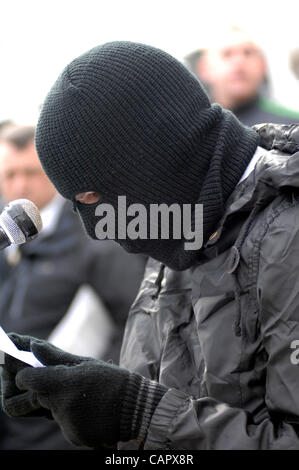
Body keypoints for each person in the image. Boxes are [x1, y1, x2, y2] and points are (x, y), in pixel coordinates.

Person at [1, 41, 299, 450]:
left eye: (92, 199)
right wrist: (88, 392)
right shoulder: (178, 225)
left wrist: (138, 412)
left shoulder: (288, 236)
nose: (97, 228)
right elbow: (173, 393)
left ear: (155, 160)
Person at [0, 124, 146, 449]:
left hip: (61, 425)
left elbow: (138, 320)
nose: (20, 185)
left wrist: (83, 384)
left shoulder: (93, 236)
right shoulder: (5, 233)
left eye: (30, 173)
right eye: (9, 175)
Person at [185, 26, 299, 126]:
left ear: (263, 66)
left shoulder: (293, 124)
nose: (239, 61)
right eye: (227, 54)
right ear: (204, 68)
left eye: (248, 53)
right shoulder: (193, 127)